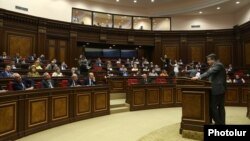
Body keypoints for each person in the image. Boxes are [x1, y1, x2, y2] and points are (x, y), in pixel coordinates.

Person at [191, 53, 226, 125]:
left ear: (213, 60)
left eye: (208, 60)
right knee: (220, 107)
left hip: (217, 89)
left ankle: (219, 123)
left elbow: (209, 72)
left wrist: (198, 77)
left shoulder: (218, 65)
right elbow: (210, 76)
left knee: (213, 107)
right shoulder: (215, 65)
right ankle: (221, 123)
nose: (207, 62)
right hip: (219, 89)